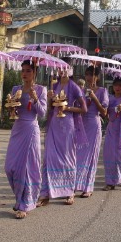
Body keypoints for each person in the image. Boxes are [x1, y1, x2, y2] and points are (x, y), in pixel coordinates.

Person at [38, 67, 87, 206]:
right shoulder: (54, 84)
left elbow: (84, 109)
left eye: (65, 68)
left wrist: (68, 108)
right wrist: (49, 98)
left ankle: (69, 191)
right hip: (54, 124)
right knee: (49, 157)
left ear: (70, 70)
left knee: (68, 158)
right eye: (59, 68)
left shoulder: (75, 87)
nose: (61, 71)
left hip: (67, 125)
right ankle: (45, 193)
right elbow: (51, 107)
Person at [4, 60, 47, 219]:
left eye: (28, 70)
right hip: (18, 128)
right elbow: (11, 108)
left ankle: (25, 204)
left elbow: (42, 113)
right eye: (23, 70)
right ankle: (19, 198)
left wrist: (35, 98)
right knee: (10, 167)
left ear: (34, 72)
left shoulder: (41, 90)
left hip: (31, 128)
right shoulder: (16, 89)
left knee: (27, 168)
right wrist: (10, 107)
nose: (25, 73)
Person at [75, 65, 108, 197]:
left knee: (91, 156)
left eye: (92, 74)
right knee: (78, 155)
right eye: (87, 74)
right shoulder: (81, 90)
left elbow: (104, 112)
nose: (89, 77)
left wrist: (94, 98)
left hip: (94, 124)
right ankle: (76, 184)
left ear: (97, 77)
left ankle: (88, 187)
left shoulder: (102, 91)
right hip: (81, 124)